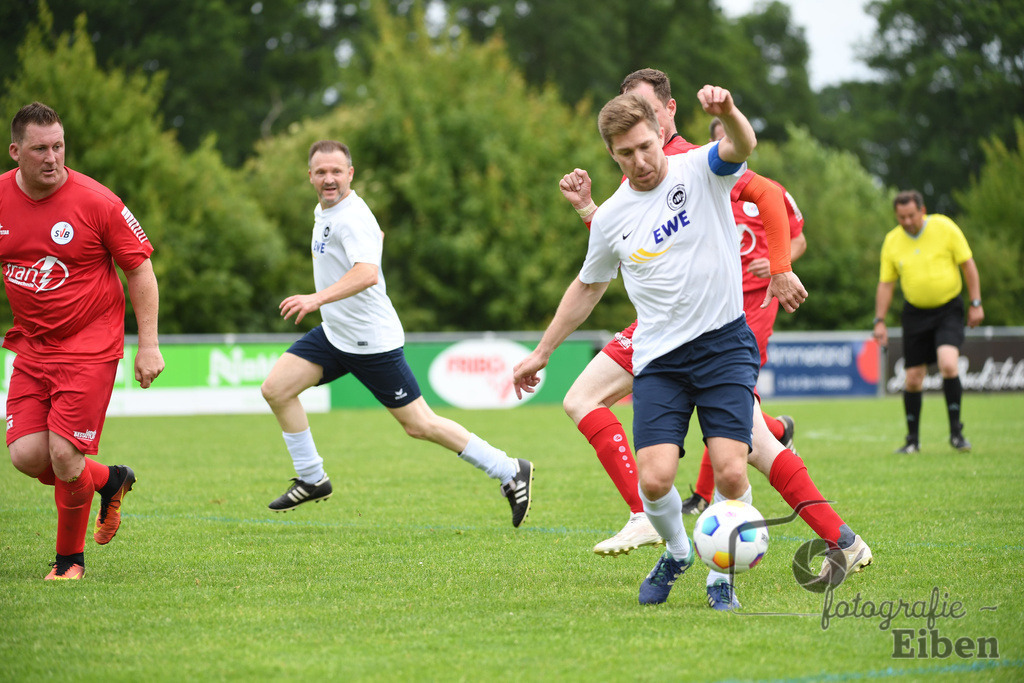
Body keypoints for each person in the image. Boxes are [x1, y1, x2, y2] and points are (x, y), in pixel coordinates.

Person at [558, 69, 869, 611]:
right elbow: (620, 249)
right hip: (662, 330)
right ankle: (671, 523)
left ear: (667, 111)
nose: (638, 131)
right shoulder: (635, 180)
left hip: (721, 322)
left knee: (741, 453)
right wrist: (589, 211)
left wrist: (779, 266)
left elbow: (766, 191)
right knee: (741, 446)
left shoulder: (692, 158)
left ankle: (687, 538)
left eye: (645, 110)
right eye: (626, 119)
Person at [515, 86, 807, 608]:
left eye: (646, 147)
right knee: (653, 482)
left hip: (722, 347)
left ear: (659, 132)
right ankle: (676, 551)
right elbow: (587, 287)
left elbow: (744, 146)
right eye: (625, 153)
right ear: (612, 154)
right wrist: (543, 351)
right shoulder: (610, 217)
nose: (640, 161)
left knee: (732, 470)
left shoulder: (700, 167)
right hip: (659, 361)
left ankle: (722, 576)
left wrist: (728, 112)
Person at [260, 140, 533, 527]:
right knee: (276, 389)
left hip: (371, 341)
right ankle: (312, 478)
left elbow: (367, 272)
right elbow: (375, 238)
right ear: (310, 176)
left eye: (336, 171)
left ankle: (509, 469)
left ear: (350, 173)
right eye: (321, 172)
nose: (329, 179)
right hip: (336, 334)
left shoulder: (351, 216)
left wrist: (316, 298)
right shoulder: (327, 211)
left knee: (419, 424)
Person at [1, 102, 164, 580]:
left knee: (64, 454)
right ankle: (110, 480)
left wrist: (149, 344)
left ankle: (69, 561)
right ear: (15, 152)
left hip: (90, 344)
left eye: (59, 146)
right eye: (40, 149)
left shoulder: (98, 202)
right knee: (26, 456)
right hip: (33, 345)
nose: (52, 157)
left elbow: (140, 269)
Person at [678, 116, 807, 516]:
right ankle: (779, 429)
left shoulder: (769, 191)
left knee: (728, 393)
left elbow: (798, 239)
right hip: (712, 302)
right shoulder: (703, 187)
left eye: (734, 139)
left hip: (756, 302)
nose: (728, 148)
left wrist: (777, 264)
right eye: (721, 142)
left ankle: (703, 496)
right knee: (721, 395)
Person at [874, 190, 983, 454]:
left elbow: (968, 265)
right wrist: (879, 321)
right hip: (915, 313)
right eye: (901, 217)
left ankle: (957, 434)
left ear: (922, 211)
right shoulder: (892, 241)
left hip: (948, 309)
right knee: (913, 378)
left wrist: (976, 303)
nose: (907, 221)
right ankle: (912, 441)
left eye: (911, 215)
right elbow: (886, 284)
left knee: (948, 363)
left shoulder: (945, 227)